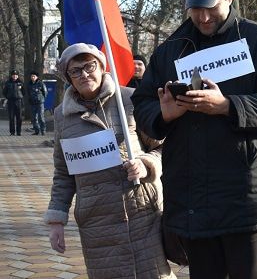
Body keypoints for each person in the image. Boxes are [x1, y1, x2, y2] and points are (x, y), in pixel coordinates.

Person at [131, 0, 257, 278]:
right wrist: (162, 115)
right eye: (195, 9)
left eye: (211, 7)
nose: (203, 17)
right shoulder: (171, 50)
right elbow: (142, 103)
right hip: (192, 200)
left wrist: (227, 106)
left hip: (243, 200)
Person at [44, 43, 175, 278]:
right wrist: (56, 220)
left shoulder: (131, 100)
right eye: (75, 71)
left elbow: (165, 148)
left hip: (142, 214)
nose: (84, 74)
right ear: (68, 77)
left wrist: (146, 165)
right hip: (97, 222)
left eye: (89, 66)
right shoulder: (62, 117)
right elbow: (63, 173)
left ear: (102, 67)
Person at [3, 70, 26, 136]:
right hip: (11, 102)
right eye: (13, 75)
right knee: (11, 117)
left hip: (18, 101)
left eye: (16, 75)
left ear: (18, 76)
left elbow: (24, 92)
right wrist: (8, 96)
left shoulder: (21, 82)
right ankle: (12, 132)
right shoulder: (8, 82)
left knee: (19, 118)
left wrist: (19, 96)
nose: (15, 76)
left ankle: (19, 132)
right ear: (11, 75)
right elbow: (4, 92)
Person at [27, 70, 47, 135]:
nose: (33, 77)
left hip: (39, 103)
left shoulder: (41, 83)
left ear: (37, 77)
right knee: (33, 118)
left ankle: (43, 131)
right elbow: (28, 93)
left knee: (41, 117)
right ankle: (36, 131)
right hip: (32, 103)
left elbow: (45, 92)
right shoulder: (29, 84)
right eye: (32, 76)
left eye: (34, 76)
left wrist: (42, 99)